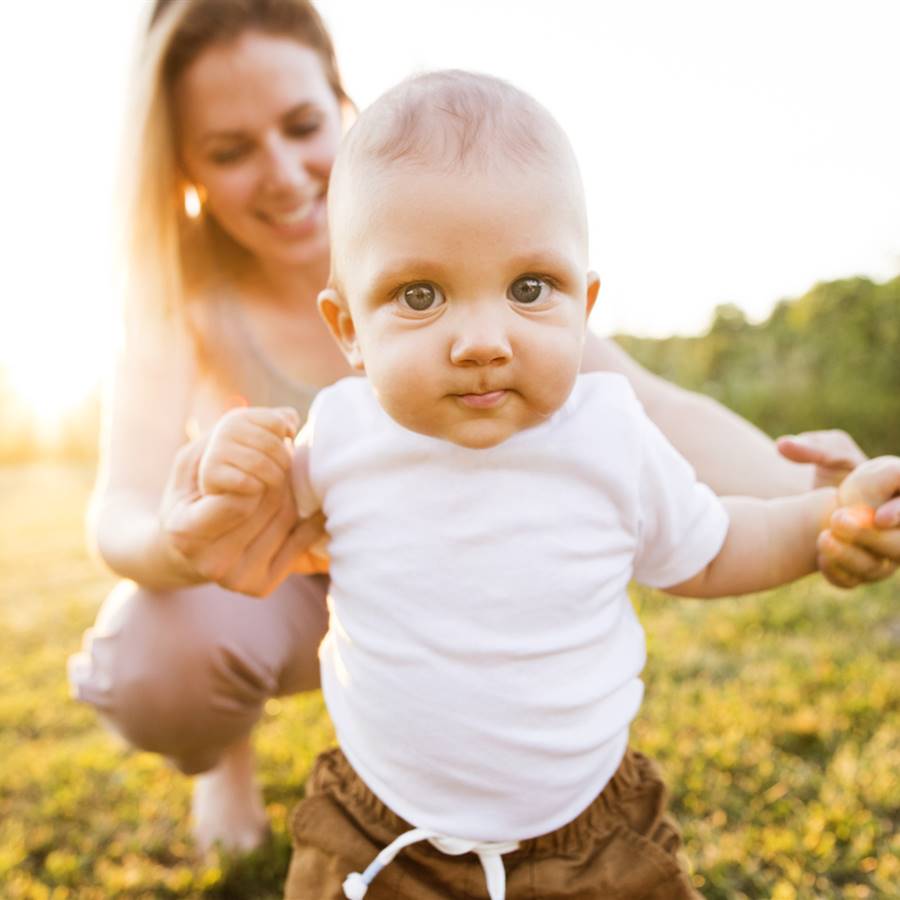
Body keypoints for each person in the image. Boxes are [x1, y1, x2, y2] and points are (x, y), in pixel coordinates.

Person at [67, 0, 900, 856]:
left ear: (339, 100)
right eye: (231, 151)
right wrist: (186, 536)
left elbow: (658, 416)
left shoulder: (484, 249)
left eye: (301, 124)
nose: (281, 172)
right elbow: (119, 513)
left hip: (472, 577)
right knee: (155, 661)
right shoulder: (178, 297)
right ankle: (224, 764)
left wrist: (821, 494)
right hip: (278, 571)